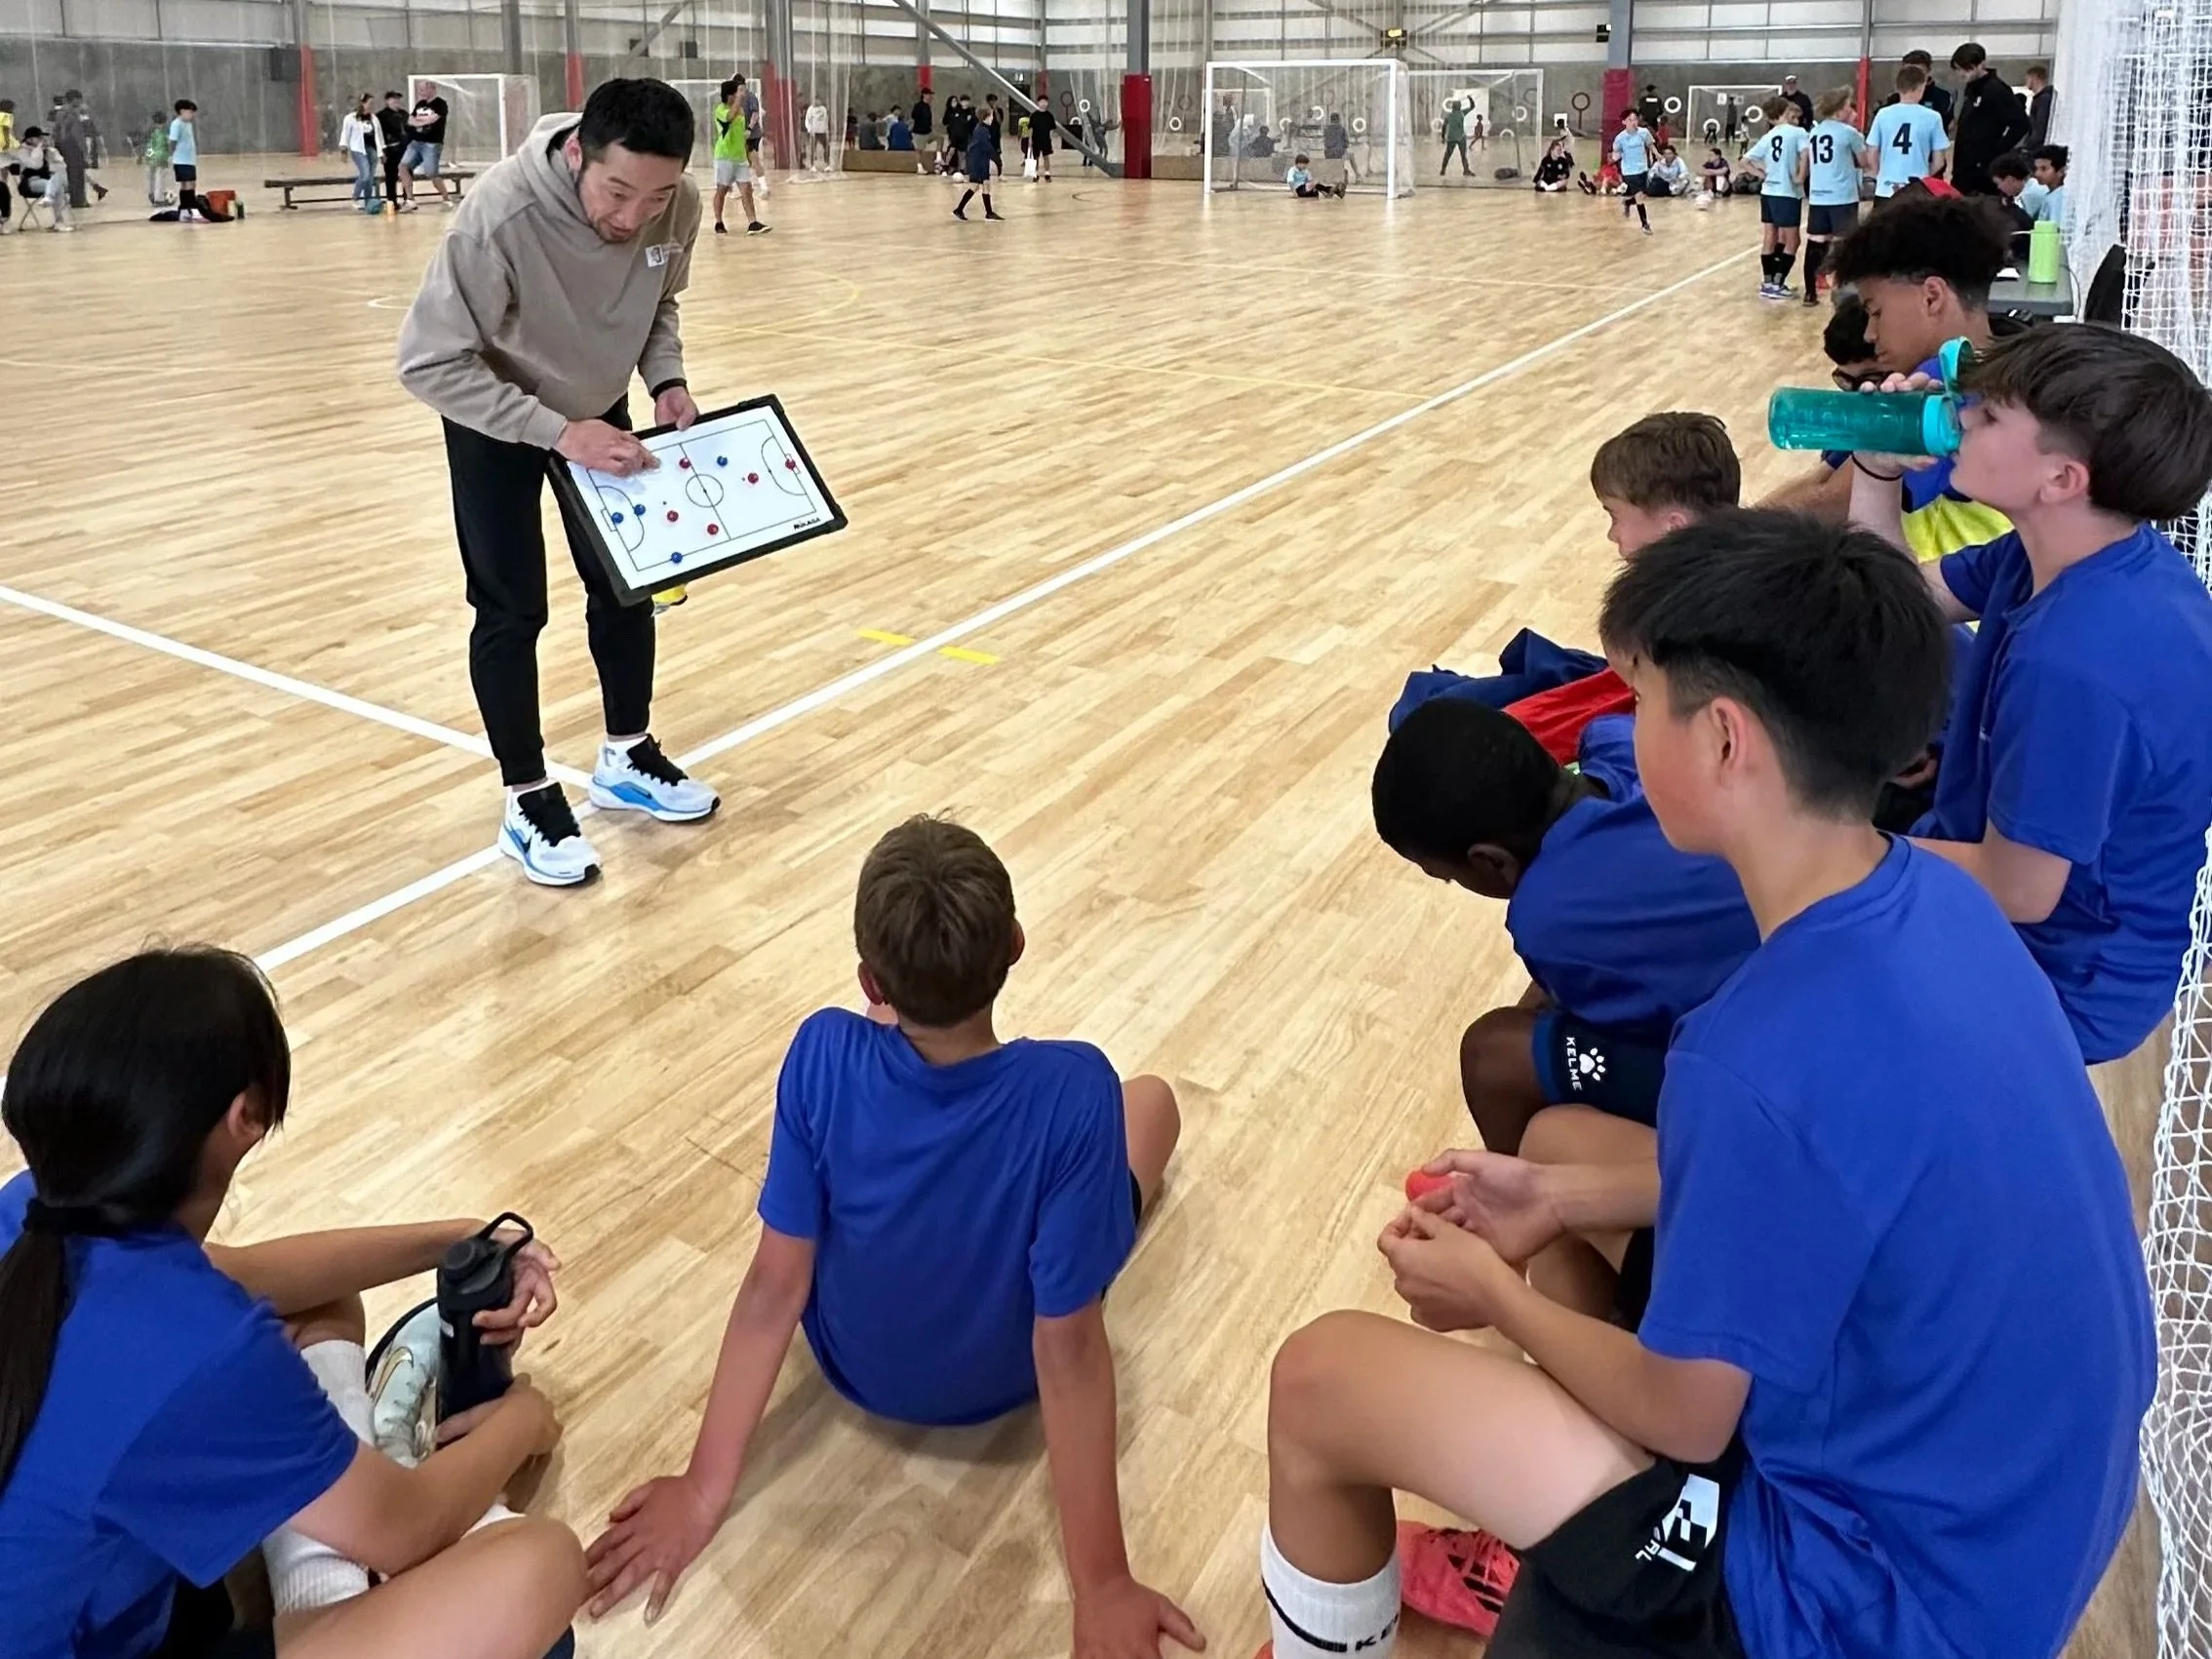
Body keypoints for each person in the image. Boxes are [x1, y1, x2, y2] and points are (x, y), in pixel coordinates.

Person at [1261, 509, 2153, 1659]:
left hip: (1859, 1608)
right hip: (2020, 1522)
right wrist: (1559, 1207)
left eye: (1641, 703)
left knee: (1320, 1381)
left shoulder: (1752, 1048)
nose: (1622, 734)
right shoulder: (1943, 901)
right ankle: (1565, 1525)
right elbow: (1832, 1174)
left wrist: (1497, 1289)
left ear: (1726, 740)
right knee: (1568, 1150)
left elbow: (1692, 1409)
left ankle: (1589, 1554)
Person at [578, 817, 1202, 1659]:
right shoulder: (1074, 1086)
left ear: (872, 978)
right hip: (1008, 1376)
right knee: (1153, 1099)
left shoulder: (821, 1052)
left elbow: (774, 1285)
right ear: (1014, 944)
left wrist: (700, 1489)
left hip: (853, 1367)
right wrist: (1102, 1583)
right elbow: (1071, 1345)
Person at [0, 947, 587, 1659]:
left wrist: (458, 1238)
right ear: (246, 1114)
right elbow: (411, 1525)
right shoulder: (196, 1345)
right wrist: (524, 1419)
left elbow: (258, 1276)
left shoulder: (32, 1207)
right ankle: (338, 1563)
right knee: (542, 1567)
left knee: (314, 1302)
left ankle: (335, 1538)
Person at [1849, 325, 2212, 1065]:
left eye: (1986, 415)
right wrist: (1876, 472)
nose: (1959, 417)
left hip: (2056, 980)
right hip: (2003, 875)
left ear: (2061, 479)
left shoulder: (2080, 661)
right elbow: (1888, 608)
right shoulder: (2068, 550)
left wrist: (1826, 852)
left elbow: (2019, 892)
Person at [396, 78, 721, 889]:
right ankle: (526, 795)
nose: (633, 215)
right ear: (578, 152)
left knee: (627, 585)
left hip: (598, 408)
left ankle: (626, 753)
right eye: (617, 191)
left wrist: (666, 380)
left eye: (655, 195)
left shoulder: (672, 204)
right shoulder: (500, 218)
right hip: (497, 415)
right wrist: (555, 431)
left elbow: (659, 303)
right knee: (511, 609)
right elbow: (429, 362)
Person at [1374, 699, 1758, 1154]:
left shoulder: (1545, 916)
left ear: (1491, 861)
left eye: (1451, 876)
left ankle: (1512, 1203)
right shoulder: (1629, 745)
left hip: (1777, 1082)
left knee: (1491, 1053)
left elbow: (1631, 1025)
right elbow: (1607, 727)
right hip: (1840, 976)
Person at [1391, 412, 1742, 765]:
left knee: (1469, 741)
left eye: (1614, 517)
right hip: (1645, 698)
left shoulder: (1685, 607)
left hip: (1652, 717)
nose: (1612, 534)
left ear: (1672, 527)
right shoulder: (1740, 566)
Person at [1824, 193, 2020, 563]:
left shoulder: (1942, 388)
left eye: (1875, 312)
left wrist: (1723, 533)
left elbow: (1829, 505)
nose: (1869, 333)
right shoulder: (2006, 354)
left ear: (1932, 297)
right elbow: (1825, 476)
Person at [1799, 87, 1868, 306]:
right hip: (1842, 196)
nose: (1851, 109)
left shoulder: (1815, 132)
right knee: (1844, 244)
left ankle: (1810, 293)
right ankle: (1844, 291)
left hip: (1819, 195)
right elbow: (1865, 162)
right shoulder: (1849, 133)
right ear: (1839, 110)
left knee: (1816, 243)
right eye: (1848, 105)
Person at [1949, 43, 2031, 195]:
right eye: (1958, 69)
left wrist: (1996, 152)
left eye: (1967, 69)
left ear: (1981, 65)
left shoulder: (1995, 89)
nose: (1962, 74)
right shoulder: (1971, 89)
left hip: (1983, 173)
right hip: (1964, 169)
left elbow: (2020, 123)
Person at [1750, 99, 1808, 298]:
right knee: (1793, 240)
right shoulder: (1798, 132)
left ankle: (1768, 282)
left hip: (1768, 191)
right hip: (1787, 192)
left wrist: (1762, 174)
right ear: (1786, 111)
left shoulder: (1769, 136)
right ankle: (1777, 284)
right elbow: (1806, 155)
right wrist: (1801, 177)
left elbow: (1745, 161)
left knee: (1770, 236)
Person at [1867, 63, 1949, 197]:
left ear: (1897, 88)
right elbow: (1939, 161)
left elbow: (1872, 152)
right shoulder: (1933, 117)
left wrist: (1881, 174)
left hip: (1886, 190)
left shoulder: (1883, 114)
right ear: (1921, 88)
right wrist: (1924, 176)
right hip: (1917, 190)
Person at [709, 77, 768, 235]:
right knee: (722, 189)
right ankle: (718, 221)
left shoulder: (740, 110)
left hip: (739, 156)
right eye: (736, 92)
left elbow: (739, 129)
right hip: (724, 157)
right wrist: (738, 101)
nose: (740, 95)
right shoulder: (720, 110)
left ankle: (753, 222)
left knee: (747, 189)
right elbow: (729, 117)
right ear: (729, 96)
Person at [399, 83, 451, 210]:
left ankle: (446, 198)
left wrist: (420, 122)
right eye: (420, 90)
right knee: (403, 166)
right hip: (416, 143)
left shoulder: (440, 104)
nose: (421, 92)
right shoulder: (420, 104)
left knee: (431, 173)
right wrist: (419, 123)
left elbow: (434, 119)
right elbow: (410, 120)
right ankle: (410, 199)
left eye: (423, 89)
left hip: (432, 144)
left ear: (432, 89)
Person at [55, 88, 105, 209]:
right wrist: (81, 149)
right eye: (79, 100)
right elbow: (72, 132)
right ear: (74, 100)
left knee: (74, 174)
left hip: (67, 146)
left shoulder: (62, 113)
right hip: (72, 146)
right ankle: (79, 200)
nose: (80, 103)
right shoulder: (70, 114)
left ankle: (76, 200)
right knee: (77, 175)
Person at [14, 126, 71, 231]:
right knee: (56, 186)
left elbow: (62, 166)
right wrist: (38, 150)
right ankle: (59, 221)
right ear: (29, 139)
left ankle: (58, 218)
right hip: (30, 183)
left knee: (59, 183)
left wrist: (52, 154)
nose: (42, 140)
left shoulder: (45, 151)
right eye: (39, 138)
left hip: (47, 181)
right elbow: (35, 165)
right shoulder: (22, 152)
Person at [1610, 108, 1654, 233]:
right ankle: (1645, 224)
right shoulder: (1620, 138)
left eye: (1635, 119)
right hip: (1629, 171)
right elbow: (1616, 152)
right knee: (1639, 196)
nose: (1633, 122)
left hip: (1643, 168)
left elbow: (1650, 144)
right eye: (1630, 120)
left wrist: (1656, 155)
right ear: (1624, 122)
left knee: (1643, 195)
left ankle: (1628, 202)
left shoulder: (1643, 133)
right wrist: (1615, 156)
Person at [1885, 48, 1956, 125]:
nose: (1913, 76)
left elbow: (1949, 125)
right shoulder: (1895, 98)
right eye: (1908, 72)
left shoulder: (1943, 96)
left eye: (1918, 72)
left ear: (1928, 71)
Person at [954, 106, 1003, 219]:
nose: (992, 118)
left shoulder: (981, 129)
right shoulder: (982, 130)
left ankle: (988, 212)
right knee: (977, 186)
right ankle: (960, 210)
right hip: (978, 163)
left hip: (980, 161)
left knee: (984, 185)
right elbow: (987, 148)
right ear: (985, 117)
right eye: (991, 116)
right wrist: (997, 161)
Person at [339, 93, 379, 214]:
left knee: (370, 177)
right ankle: (355, 197)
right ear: (363, 103)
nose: (371, 106)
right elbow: (345, 134)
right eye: (369, 103)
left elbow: (379, 136)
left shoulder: (373, 118)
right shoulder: (350, 118)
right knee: (365, 174)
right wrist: (343, 150)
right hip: (358, 149)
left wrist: (382, 152)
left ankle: (368, 201)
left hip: (372, 149)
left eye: (373, 104)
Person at [1988, 149, 2043, 231]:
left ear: (2009, 179)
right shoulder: (2031, 186)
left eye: (1998, 183)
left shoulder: (2029, 195)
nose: (1998, 187)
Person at [166, 99, 201, 220]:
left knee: (191, 184)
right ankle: (186, 210)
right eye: (190, 112)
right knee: (186, 184)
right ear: (182, 111)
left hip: (190, 160)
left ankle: (189, 208)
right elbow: (172, 142)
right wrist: (171, 155)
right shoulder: (177, 124)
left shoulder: (188, 125)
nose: (191, 115)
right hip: (181, 160)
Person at [375, 89, 409, 208]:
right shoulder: (380, 116)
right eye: (393, 99)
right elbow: (378, 135)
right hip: (390, 150)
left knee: (407, 173)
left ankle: (408, 198)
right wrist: (382, 151)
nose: (396, 101)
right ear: (387, 101)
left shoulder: (404, 114)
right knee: (391, 176)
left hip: (405, 149)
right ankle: (392, 201)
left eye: (398, 99)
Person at [139, 106, 173, 204]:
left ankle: (151, 194)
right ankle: (159, 199)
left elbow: (146, 144)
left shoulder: (150, 131)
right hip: (161, 156)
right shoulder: (164, 131)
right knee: (160, 177)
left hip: (150, 156)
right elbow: (168, 143)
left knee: (150, 176)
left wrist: (142, 156)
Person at [2033, 142, 2069, 223]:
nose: (2037, 174)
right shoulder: (2052, 195)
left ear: (2061, 171)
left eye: (2044, 169)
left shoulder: (2059, 198)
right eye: (2036, 169)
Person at [1441, 98, 1472, 178]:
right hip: (1461, 138)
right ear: (1459, 107)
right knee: (1463, 155)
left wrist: (1443, 137)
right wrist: (1470, 99)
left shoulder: (1449, 115)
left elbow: (1444, 126)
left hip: (1451, 138)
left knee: (1447, 155)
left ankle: (1443, 170)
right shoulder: (1462, 113)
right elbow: (1472, 106)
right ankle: (1466, 170)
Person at [2024, 62, 2054, 147]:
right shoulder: (2042, 98)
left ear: (2034, 78)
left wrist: (2029, 146)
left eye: (2028, 78)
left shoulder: (2043, 99)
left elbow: (2040, 127)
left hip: (2038, 147)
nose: (2026, 82)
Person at [1026, 100, 1054, 179]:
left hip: (1046, 140)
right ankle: (1035, 173)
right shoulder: (1034, 115)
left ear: (1047, 103)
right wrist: (1030, 139)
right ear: (1038, 103)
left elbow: (1052, 128)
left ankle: (1047, 173)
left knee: (1046, 156)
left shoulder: (1049, 115)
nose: (1043, 104)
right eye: (1041, 102)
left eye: (1045, 102)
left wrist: (1050, 138)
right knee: (1036, 157)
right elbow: (1031, 128)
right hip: (1036, 139)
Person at [804, 95, 831, 168]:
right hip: (814, 132)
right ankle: (813, 166)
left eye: (818, 100)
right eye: (816, 100)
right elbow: (807, 120)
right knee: (813, 149)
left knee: (827, 148)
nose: (817, 101)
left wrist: (826, 129)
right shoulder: (810, 109)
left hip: (822, 132)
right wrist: (809, 130)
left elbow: (826, 120)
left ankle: (827, 164)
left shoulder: (823, 109)